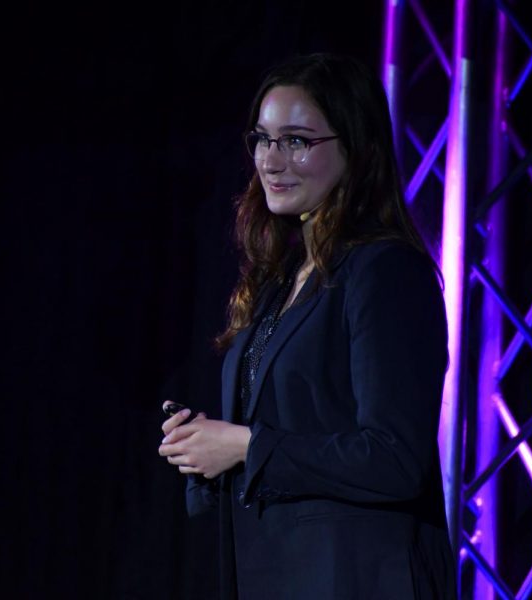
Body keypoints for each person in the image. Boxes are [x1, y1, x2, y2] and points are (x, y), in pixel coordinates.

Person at [158, 53, 456, 599]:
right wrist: (206, 451)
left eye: (297, 140)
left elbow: (394, 459)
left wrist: (249, 445)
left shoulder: (385, 272)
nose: (271, 161)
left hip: (357, 579)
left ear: (356, 149)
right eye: (263, 139)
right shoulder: (281, 281)